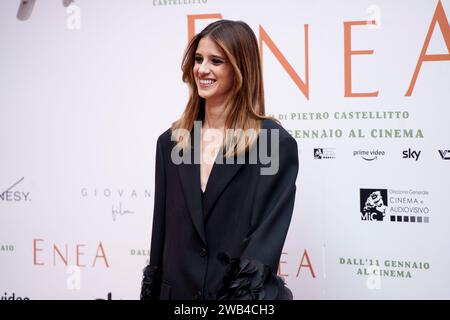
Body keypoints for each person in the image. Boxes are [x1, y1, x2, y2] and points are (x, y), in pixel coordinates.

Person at [140, 19, 299, 300]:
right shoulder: (172, 142)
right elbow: (161, 238)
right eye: (199, 59)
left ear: (241, 70)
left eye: (216, 61)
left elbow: (264, 244)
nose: (203, 69)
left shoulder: (271, 143)